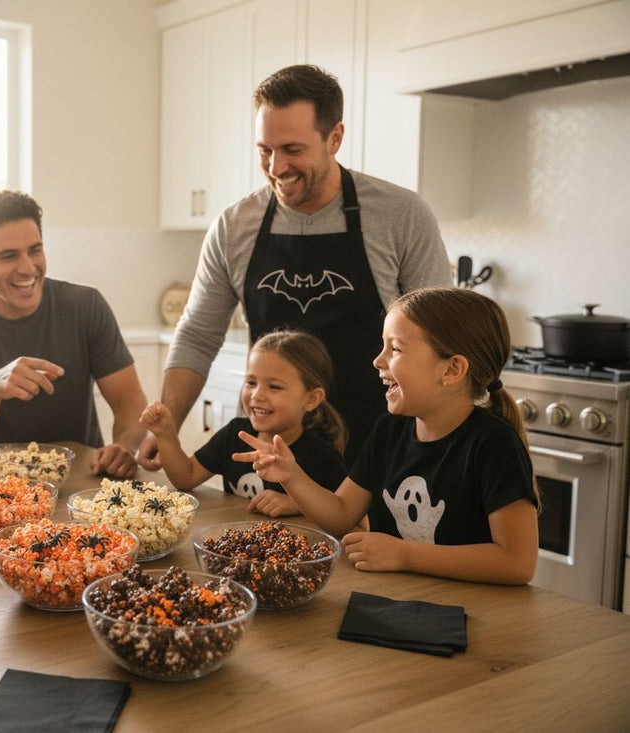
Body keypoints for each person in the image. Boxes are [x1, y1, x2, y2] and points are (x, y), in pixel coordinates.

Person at [142, 64, 452, 469]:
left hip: (375, 448)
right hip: (268, 452)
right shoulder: (235, 225)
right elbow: (199, 335)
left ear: (334, 138)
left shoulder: (401, 215)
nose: (276, 167)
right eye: (264, 150)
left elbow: (439, 339)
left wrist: (441, 451)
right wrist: (164, 428)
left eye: (292, 150)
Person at [238, 287, 539, 584]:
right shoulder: (388, 432)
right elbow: (341, 514)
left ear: (452, 369)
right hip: (395, 601)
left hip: (472, 617)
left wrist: (404, 554)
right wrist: (292, 475)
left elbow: (516, 562)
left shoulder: (493, 444)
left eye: (394, 349)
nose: (378, 361)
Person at [0, 190, 148, 478]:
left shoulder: (85, 306)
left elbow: (130, 400)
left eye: (35, 250)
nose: (28, 268)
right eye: (9, 256)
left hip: (79, 480)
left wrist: (124, 447)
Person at [141, 329, 346, 516]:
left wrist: (297, 504)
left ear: (311, 399)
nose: (257, 395)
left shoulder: (322, 456)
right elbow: (185, 477)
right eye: (251, 383)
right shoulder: (234, 434)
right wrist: (165, 434)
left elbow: (344, 515)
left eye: (274, 387)